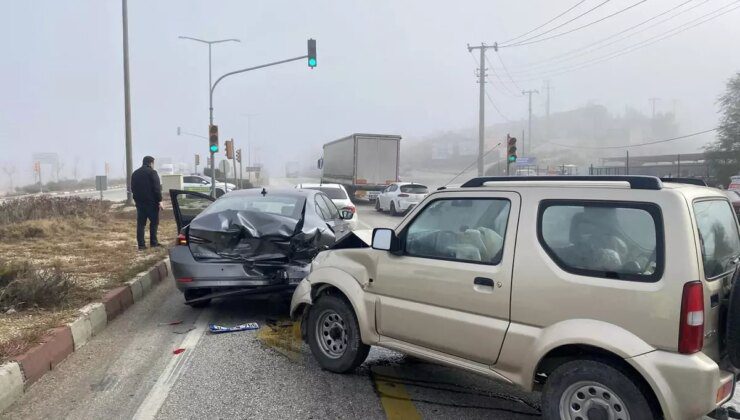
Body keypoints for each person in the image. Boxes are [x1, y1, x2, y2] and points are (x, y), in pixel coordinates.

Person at [131, 156, 163, 250]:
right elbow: (157, 189)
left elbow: (132, 188)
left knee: (141, 224)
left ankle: (141, 245)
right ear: (151, 163)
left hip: (140, 203)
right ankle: (154, 243)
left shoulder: (135, 173)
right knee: (154, 222)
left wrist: (136, 200)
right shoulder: (152, 172)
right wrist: (160, 200)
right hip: (152, 203)